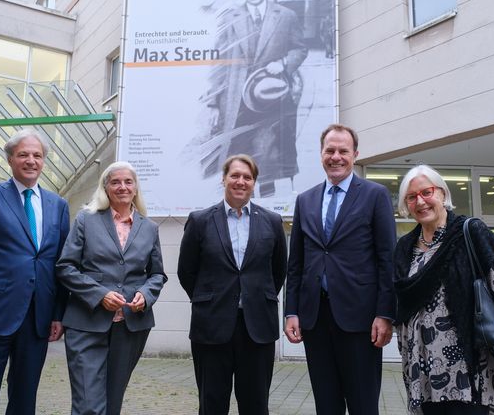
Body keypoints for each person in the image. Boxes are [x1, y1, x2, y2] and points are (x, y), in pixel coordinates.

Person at [393, 164, 494, 414]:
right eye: (412, 197)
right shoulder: (404, 247)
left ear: (442, 193)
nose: (420, 202)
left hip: (466, 373)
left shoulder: (470, 232)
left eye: (427, 192)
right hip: (420, 374)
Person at [284, 124, 396, 414]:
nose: (336, 156)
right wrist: (291, 311)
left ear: (355, 154)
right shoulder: (305, 200)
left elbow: (387, 259)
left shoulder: (375, 195)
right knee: (326, 404)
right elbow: (295, 263)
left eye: (343, 151)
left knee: (362, 404)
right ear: (321, 154)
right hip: (315, 319)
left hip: (361, 320)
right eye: (329, 150)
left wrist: (385, 314)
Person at [0, 128, 70, 415]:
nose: (31, 160)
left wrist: (57, 314)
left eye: (37, 155)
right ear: (10, 159)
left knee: (24, 399)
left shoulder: (58, 205)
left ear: (44, 160)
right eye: (23, 154)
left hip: (37, 319)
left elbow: (60, 264)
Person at [178, 154, 287, 414]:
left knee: (256, 404)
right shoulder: (201, 220)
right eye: (235, 175)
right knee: (212, 403)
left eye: (247, 177)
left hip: (257, 328)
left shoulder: (272, 221)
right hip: (212, 327)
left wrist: (254, 297)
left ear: (254, 183)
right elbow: (187, 272)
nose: (241, 181)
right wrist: (210, 300)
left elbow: (278, 272)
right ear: (223, 179)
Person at [56, 161, 167, 415]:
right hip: (86, 323)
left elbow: (157, 275)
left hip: (130, 327)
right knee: (88, 404)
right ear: (105, 187)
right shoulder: (86, 219)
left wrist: (145, 295)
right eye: (115, 182)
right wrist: (100, 294)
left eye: (128, 182)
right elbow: (65, 267)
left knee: (112, 403)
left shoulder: (149, 228)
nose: (122, 187)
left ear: (136, 188)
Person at [202, 0, 308, 197]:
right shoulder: (230, 18)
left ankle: (268, 198)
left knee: (270, 148)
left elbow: (300, 49)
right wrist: (213, 102)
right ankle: (239, 199)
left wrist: (283, 64)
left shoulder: (286, 16)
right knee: (240, 149)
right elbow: (218, 62)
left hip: (273, 92)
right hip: (237, 97)